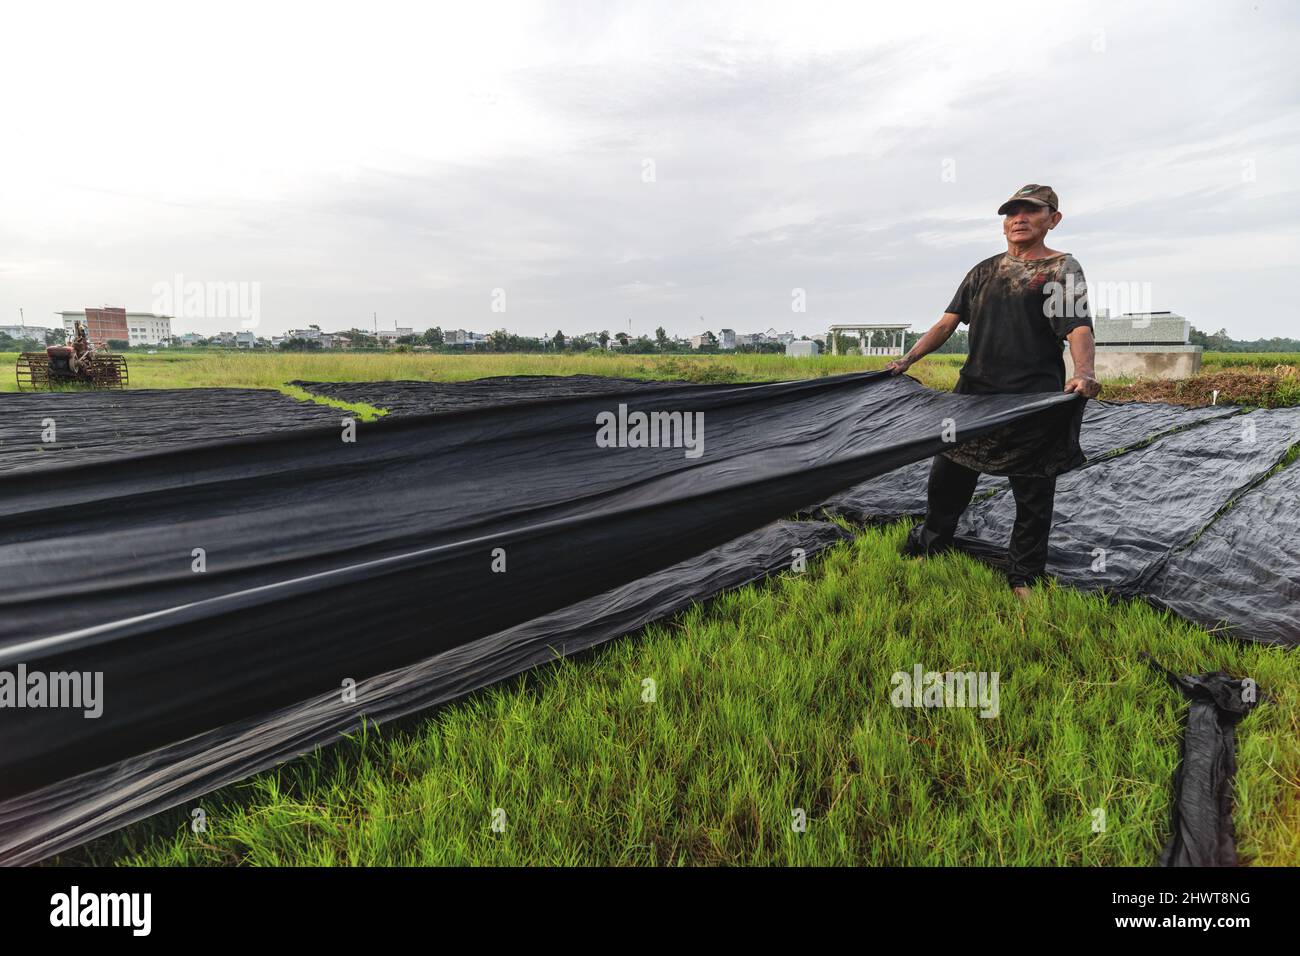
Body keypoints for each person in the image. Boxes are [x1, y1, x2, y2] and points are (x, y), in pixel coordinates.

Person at [886, 184, 1101, 599]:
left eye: (1030, 211)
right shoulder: (984, 271)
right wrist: (908, 359)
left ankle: (1023, 577)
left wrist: (1085, 371)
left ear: (1052, 220)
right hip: (972, 399)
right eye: (1011, 212)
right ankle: (932, 545)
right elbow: (946, 323)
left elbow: (1077, 328)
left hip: (1031, 402)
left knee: (1033, 492)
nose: (1018, 219)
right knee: (947, 479)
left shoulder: (1061, 270)